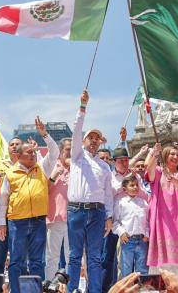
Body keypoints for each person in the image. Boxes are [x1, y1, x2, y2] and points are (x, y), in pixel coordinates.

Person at [0, 121, 59, 293]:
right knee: (17, 261)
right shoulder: (10, 174)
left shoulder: (42, 168)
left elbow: (55, 152)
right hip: (17, 222)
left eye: (34, 152)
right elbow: (2, 201)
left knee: (37, 261)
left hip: (38, 221)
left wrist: (44, 134)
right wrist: (1, 223)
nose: (34, 155)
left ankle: (34, 291)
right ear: (19, 155)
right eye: (30, 152)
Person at [66, 90, 114, 293]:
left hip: (97, 213)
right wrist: (82, 107)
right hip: (76, 211)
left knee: (94, 257)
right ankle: (72, 290)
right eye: (90, 137)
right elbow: (76, 131)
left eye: (97, 139)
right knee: (75, 255)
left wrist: (109, 217)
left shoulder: (104, 167)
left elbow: (108, 194)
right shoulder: (77, 155)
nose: (94, 140)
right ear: (84, 142)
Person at [145, 143, 178, 292]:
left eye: (177, 155)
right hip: (161, 220)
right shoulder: (159, 172)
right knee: (160, 258)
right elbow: (149, 169)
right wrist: (155, 152)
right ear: (165, 156)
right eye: (172, 154)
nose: (175, 156)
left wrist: (172, 178)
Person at [102, 132, 149, 291]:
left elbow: (144, 196)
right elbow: (109, 195)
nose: (124, 163)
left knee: (134, 263)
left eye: (126, 160)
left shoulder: (135, 177)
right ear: (114, 162)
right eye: (121, 160)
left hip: (133, 225)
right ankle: (110, 288)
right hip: (113, 220)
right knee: (109, 259)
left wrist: (134, 183)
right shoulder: (109, 176)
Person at [0, 136, 22, 275]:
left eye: (17, 144)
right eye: (12, 144)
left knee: (19, 258)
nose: (14, 146)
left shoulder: (28, 165)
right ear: (8, 148)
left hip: (20, 216)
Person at [112, 175, 150, 276]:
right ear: (124, 189)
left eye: (137, 185)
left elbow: (147, 221)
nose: (135, 187)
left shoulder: (144, 203)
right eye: (132, 185)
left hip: (142, 240)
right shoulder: (120, 203)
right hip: (127, 240)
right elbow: (115, 222)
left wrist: (147, 234)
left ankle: (141, 290)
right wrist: (121, 233)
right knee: (126, 268)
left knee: (142, 269)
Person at [45, 137, 71, 282]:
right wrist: (55, 175)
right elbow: (44, 190)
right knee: (52, 257)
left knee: (71, 257)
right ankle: (49, 287)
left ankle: (70, 288)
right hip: (54, 218)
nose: (71, 153)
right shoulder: (51, 165)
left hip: (73, 219)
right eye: (68, 149)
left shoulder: (78, 168)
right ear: (60, 151)